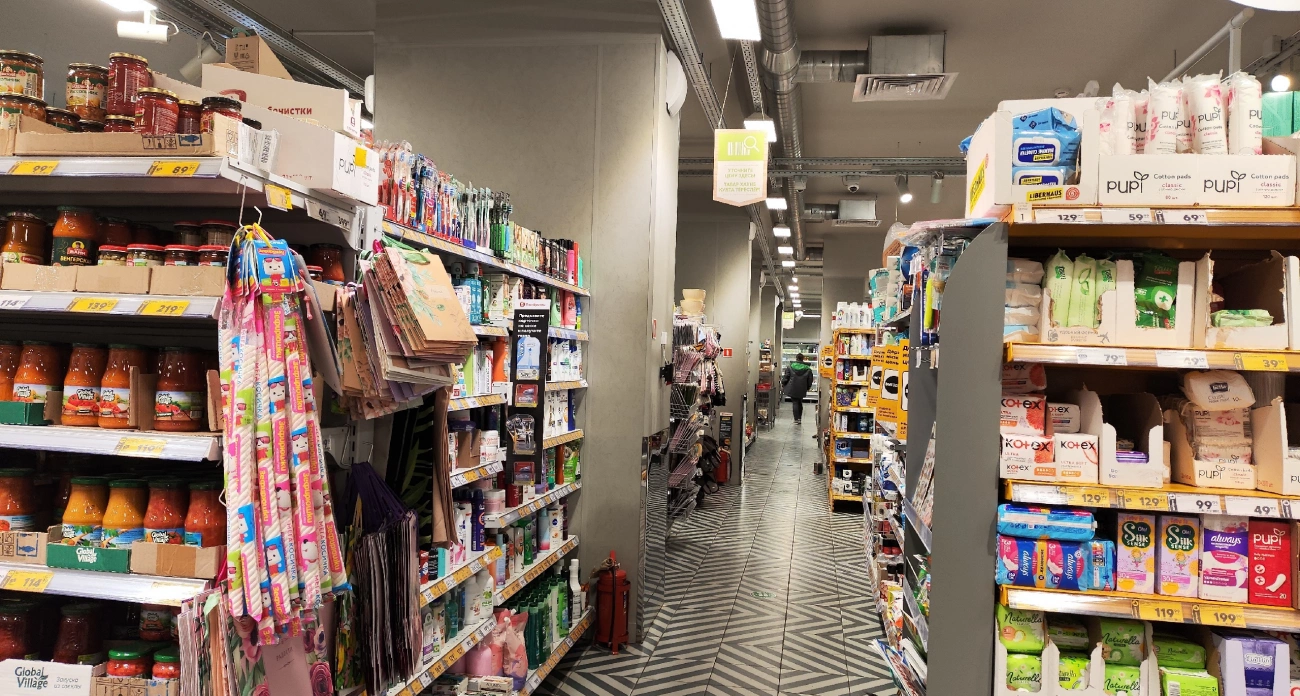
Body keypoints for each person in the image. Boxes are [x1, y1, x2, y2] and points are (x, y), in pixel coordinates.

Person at [781, 353, 814, 424]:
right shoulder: (808, 369)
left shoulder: (790, 367)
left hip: (792, 387)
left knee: (795, 402)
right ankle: (799, 418)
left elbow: (786, 377)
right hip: (802, 388)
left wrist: (783, 383)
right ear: (803, 359)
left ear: (796, 358)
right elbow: (810, 380)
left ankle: (796, 419)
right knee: (800, 402)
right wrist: (808, 387)